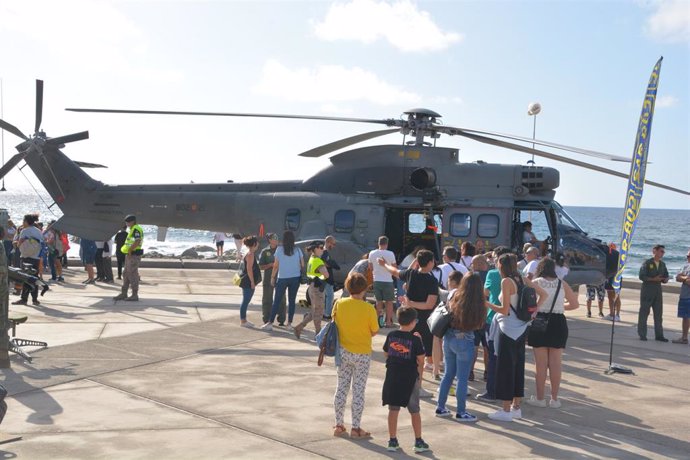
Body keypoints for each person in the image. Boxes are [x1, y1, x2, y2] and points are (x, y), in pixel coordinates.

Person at [486, 253, 547, 422]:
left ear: (502, 265)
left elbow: (504, 309)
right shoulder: (521, 279)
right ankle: (516, 407)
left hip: (508, 329)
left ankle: (505, 410)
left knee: (505, 368)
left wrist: (486, 304)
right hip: (522, 328)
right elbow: (544, 295)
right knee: (518, 367)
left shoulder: (506, 282)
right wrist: (534, 312)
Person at [378, 249, 439, 397]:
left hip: (406, 319)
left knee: (403, 351)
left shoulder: (411, 274)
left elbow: (395, 271)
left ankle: (402, 383)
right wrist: (411, 303)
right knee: (419, 356)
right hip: (423, 321)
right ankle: (417, 386)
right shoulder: (432, 281)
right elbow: (429, 305)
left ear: (417, 262)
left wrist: (384, 264)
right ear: (430, 262)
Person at [435, 273, 489, 422]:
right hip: (465, 338)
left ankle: (440, 407)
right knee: (462, 378)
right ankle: (461, 411)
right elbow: (479, 325)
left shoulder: (453, 294)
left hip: (449, 337)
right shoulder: (479, 302)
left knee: (448, 374)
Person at [526, 257, 579, 408]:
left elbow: (530, 305)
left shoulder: (536, 283)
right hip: (558, 322)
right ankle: (555, 399)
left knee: (540, 365)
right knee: (556, 363)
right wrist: (560, 307)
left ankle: (540, 398)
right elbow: (574, 304)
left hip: (540, 321)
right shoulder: (562, 284)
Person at [332, 273, 379, 439]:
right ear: (365, 289)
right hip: (362, 353)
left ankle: (339, 424)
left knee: (341, 388)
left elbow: (334, 323)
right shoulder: (368, 308)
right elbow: (374, 331)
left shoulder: (339, 303)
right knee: (358, 391)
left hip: (343, 352)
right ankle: (356, 427)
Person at [382, 307, 429, 453]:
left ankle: (392, 440)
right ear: (413, 322)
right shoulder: (415, 340)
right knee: (414, 410)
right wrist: (420, 342)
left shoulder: (391, 335)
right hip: (409, 379)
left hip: (393, 377)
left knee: (393, 409)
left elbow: (385, 353)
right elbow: (421, 359)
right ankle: (418, 440)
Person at [477, 246, 510, 402]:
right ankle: (508, 391)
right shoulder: (520, 275)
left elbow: (486, 293)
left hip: (493, 319)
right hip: (512, 320)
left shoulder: (492, 273)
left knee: (492, 357)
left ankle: (491, 392)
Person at [261, 230, 303, 331]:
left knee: (277, 300)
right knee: (292, 301)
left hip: (282, 278)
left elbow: (275, 266)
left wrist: (272, 277)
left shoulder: (279, 249)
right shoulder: (297, 250)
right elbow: (302, 264)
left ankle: (270, 323)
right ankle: (289, 324)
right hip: (295, 278)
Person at [294, 241, 329, 339]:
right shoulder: (318, 261)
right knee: (319, 312)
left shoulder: (312, 258)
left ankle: (299, 327)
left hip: (312, 288)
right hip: (317, 289)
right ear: (315, 249)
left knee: (314, 311)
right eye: (321, 247)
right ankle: (318, 334)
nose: (322, 249)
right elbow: (326, 275)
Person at [638, 244, 670, 342]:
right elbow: (641, 276)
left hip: (657, 291)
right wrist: (653, 279)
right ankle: (642, 334)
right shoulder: (647, 263)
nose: (662, 253)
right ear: (654, 251)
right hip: (647, 291)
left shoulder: (662, 264)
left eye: (663, 252)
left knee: (658, 314)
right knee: (644, 313)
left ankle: (659, 335)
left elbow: (666, 275)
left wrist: (665, 279)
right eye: (661, 251)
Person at [11, 214, 44, 306]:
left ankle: (24, 299)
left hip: (26, 257)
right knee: (35, 278)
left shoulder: (24, 231)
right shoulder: (38, 231)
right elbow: (42, 244)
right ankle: (35, 299)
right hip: (36, 257)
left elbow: (19, 243)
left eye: (23, 221)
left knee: (25, 278)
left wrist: (16, 243)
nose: (22, 223)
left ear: (26, 222)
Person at [114, 214, 144, 301]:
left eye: (128, 222)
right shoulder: (132, 229)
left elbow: (137, 241)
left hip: (134, 255)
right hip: (130, 254)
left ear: (133, 222)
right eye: (126, 222)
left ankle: (135, 294)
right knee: (126, 273)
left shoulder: (136, 229)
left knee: (132, 274)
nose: (126, 223)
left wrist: (130, 250)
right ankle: (124, 293)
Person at [369, 236, 397, 327]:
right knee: (389, 302)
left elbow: (370, 267)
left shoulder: (372, 253)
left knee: (378, 301)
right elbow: (394, 268)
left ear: (378, 243)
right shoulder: (391, 254)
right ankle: (388, 322)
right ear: (387, 244)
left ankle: (376, 322)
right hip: (388, 281)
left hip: (376, 280)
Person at [258, 233, 286, 326]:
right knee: (267, 298)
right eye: (274, 238)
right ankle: (266, 318)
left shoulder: (282, 250)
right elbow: (261, 266)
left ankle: (281, 319)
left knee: (282, 298)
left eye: (277, 238)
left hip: (280, 277)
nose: (276, 240)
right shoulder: (265, 251)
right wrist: (270, 265)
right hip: (268, 278)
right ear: (269, 240)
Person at [238, 235, 261, 328]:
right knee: (245, 301)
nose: (258, 244)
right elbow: (249, 269)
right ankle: (243, 321)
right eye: (257, 242)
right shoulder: (250, 254)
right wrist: (252, 282)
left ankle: (243, 320)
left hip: (246, 280)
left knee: (245, 300)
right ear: (254, 244)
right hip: (248, 281)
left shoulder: (248, 252)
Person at [672, 250, 690, 345]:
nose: (688, 258)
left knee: (687, 317)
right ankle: (684, 337)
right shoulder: (685, 266)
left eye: (689, 256)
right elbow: (677, 277)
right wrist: (685, 278)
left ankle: (684, 338)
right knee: (685, 317)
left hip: (688, 296)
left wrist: (684, 277)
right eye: (687, 256)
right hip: (684, 295)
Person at [322, 235, 340, 320]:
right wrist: (333, 264)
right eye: (333, 244)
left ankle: (325, 313)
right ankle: (327, 314)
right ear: (328, 242)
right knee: (329, 297)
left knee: (327, 296)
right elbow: (326, 263)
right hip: (326, 279)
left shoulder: (324, 252)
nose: (333, 246)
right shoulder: (324, 252)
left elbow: (328, 263)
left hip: (326, 278)